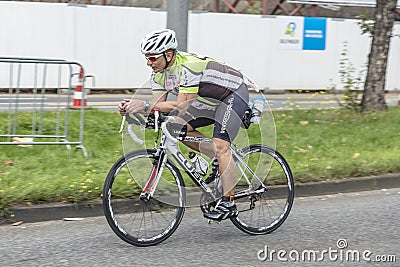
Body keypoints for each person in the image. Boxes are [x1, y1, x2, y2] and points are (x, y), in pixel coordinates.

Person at [118, 29, 249, 221]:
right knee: (176, 128)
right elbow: (158, 106)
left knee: (221, 146)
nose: (149, 63)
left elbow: (180, 104)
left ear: (168, 54)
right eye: (147, 58)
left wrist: (144, 106)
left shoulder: (188, 68)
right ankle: (217, 159)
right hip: (207, 101)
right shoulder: (160, 74)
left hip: (233, 94)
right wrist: (133, 109)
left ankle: (228, 201)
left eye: (153, 58)